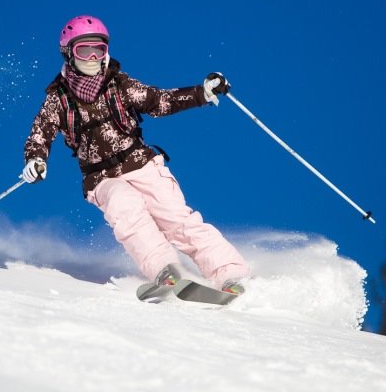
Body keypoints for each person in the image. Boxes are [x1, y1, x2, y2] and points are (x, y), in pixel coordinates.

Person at [22, 15, 250, 294]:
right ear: (69, 53)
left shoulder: (119, 84)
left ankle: (230, 272)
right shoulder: (58, 99)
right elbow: (40, 131)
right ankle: (165, 270)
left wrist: (201, 93)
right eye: (84, 50)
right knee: (124, 208)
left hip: (140, 162)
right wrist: (36, 159)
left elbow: (159, 101)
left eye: (99, 49)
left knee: (175, 218)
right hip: (101, 178)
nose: (93, 57)